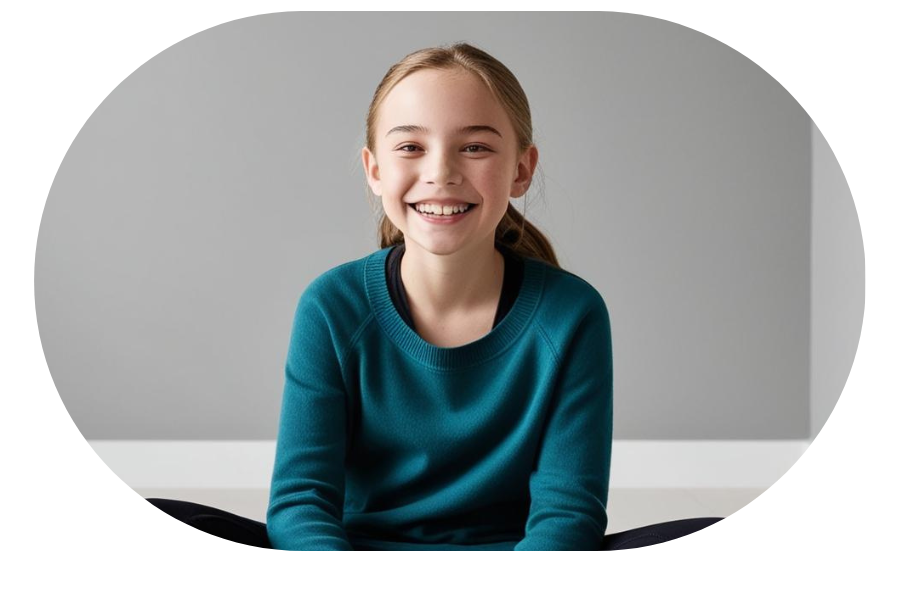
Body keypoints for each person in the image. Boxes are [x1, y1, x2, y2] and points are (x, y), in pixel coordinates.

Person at [151, 41, 617, 558]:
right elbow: (301, 502)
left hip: (509, 555)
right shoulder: (332, 306)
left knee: (711, 538)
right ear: (374, 170)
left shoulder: (571, 314)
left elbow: (569, 514)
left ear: (521, 169)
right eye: (411, 147)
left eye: (475, 147)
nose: (441, 172)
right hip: (356, 553)